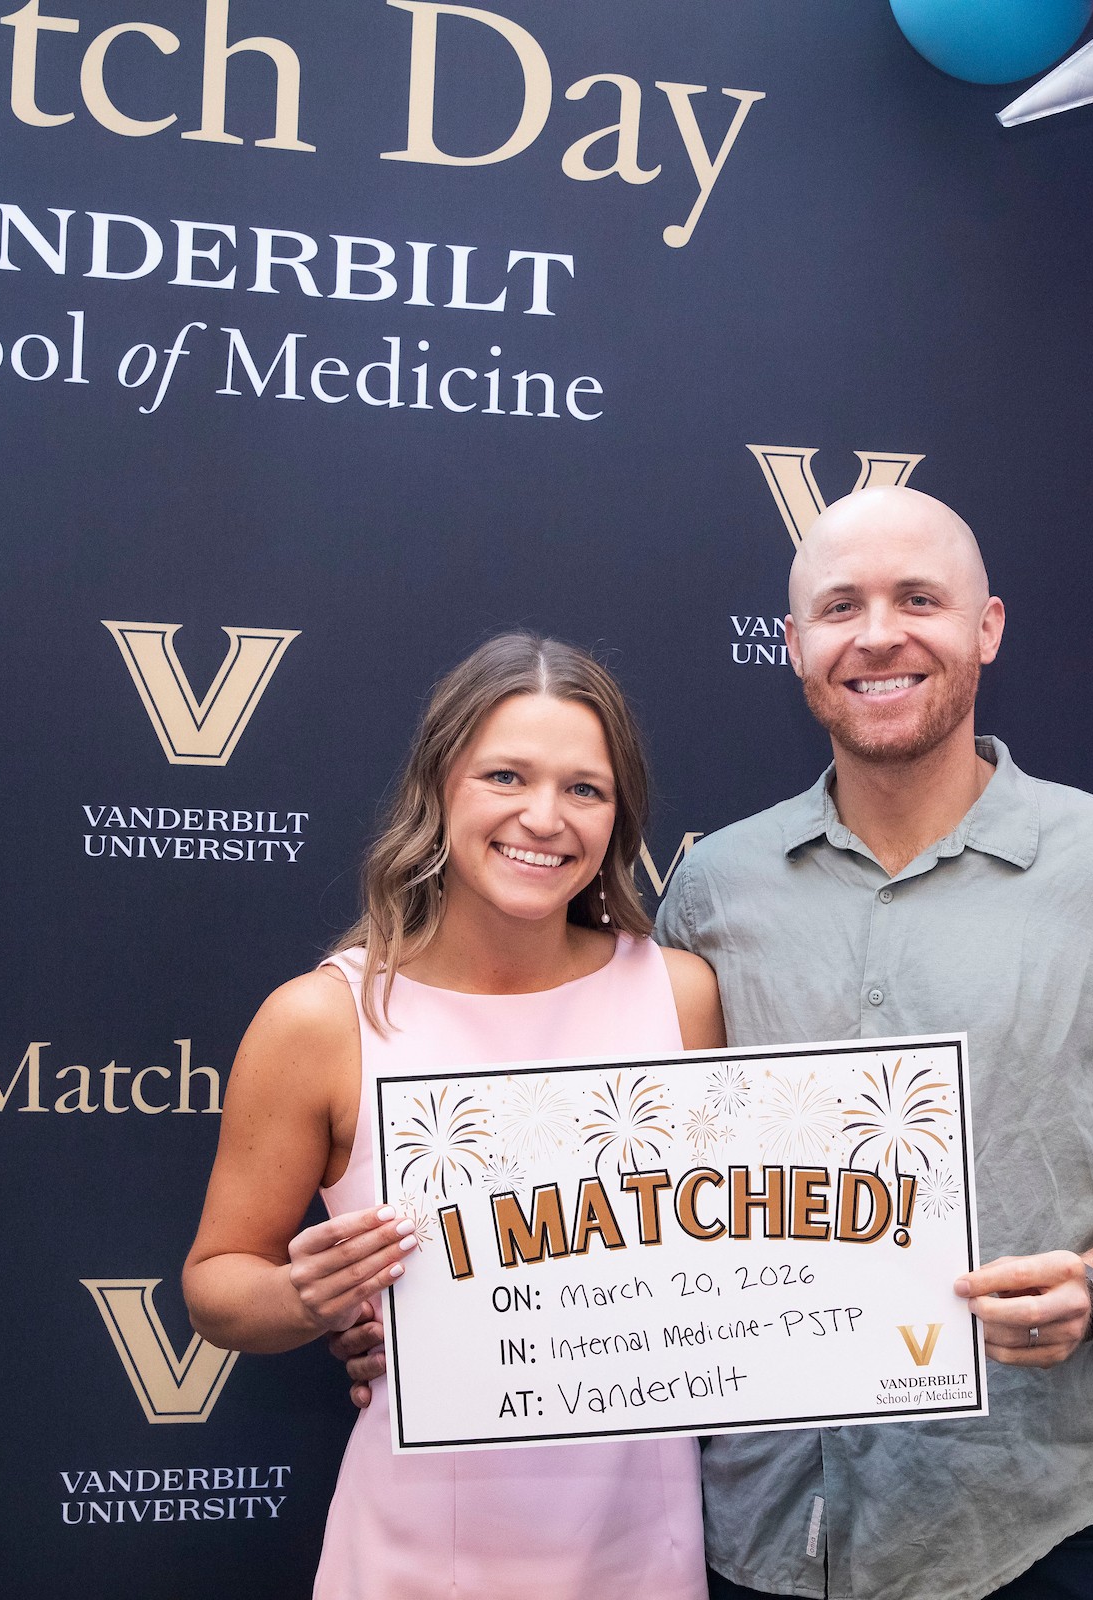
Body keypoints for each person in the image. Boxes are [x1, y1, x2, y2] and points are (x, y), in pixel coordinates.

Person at [339, 486, 1093, 1600]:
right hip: (766, 1530)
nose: (877, 634)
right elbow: (614, 1186)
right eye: (840, 607)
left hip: (1035, 1525)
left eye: (917, 599)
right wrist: (446, 1319)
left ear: (986, 628)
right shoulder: (709, 892)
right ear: (793, 648)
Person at [183, 632, 721, 1600]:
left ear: (617, 814)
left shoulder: (680, 1000)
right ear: (438, 789)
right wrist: (312, 1298)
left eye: (583, 789)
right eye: (505, 775)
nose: (543, 818)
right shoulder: (321, 1019)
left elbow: (735, 1264)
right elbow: (217, 1286)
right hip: (416, 1548)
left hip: (641, 1543)